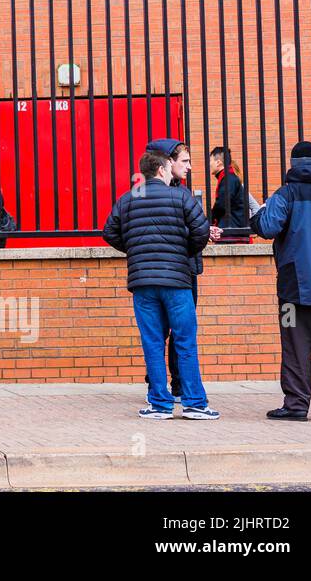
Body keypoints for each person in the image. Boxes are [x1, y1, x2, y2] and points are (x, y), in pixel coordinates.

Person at [102, 149, 218, 419]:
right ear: (163, 170)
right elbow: (201, 231)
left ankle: (160, 404)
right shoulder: (180, 196)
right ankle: (194, 404)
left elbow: (109, 231)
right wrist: (184, 250)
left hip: (142, 282)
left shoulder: (128, 198)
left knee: (153, 342)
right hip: (177, 281)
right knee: (185, 341)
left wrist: (134, 250)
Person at [250, 141, 311, 421]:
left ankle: (297, 405)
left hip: (294, 290)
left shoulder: (285, 195)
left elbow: (267, 227)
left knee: (295, 347)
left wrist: (259, 212)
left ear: (293, 165)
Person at [146, 138, 199, 400]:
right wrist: (192, 242)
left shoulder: (182, 192)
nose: (189, 167)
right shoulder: (162, 193)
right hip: (177, 270)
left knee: (169, 334)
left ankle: (176, 385)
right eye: (184, 161)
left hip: (182, 269)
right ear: (168, 163)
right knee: (169, 333)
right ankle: (166, 388)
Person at [209, 146, 250, 244]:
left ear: (218, 162)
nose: (209, 164)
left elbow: (222, 204)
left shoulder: (228, 179)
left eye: (210, 161)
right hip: (233, 230)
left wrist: (209, 220)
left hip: (232, 233)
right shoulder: (228, 178)